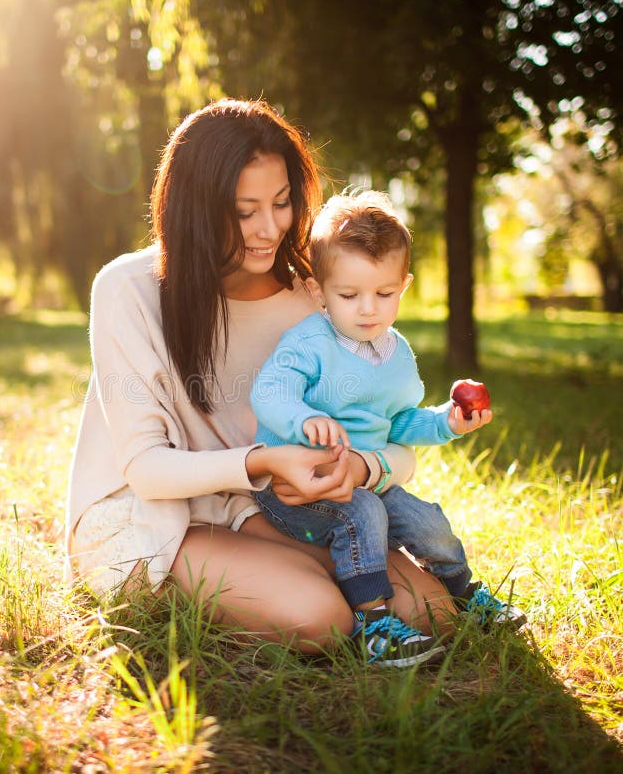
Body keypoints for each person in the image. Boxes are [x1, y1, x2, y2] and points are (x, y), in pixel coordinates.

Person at [66, 98, 458, 655]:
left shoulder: (314, 299)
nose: (269, 228)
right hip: (154, 513)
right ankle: (242, 584)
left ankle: (280, 570)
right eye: (244, 210)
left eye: (281, 203)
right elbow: (147, 470)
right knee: (320, 618)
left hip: (262, 507)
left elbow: (392, 439)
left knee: (431, 611)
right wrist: (265, 461)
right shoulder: (128, 289)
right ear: (196, 208)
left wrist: (361, 467)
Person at [250, 190, 526, 665]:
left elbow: (399, 422)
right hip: (297, 490)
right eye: (348, 295)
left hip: (367, 481)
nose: (367, 310)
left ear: (405, 285)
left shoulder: (395, 353)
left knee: (427, 522)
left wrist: (448, 422)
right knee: (364, 515)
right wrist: (304, 418)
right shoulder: (309, 342)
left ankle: (465, 593)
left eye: (384, 294)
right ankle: (374, 623)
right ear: (318, 291)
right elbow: (268, 391)